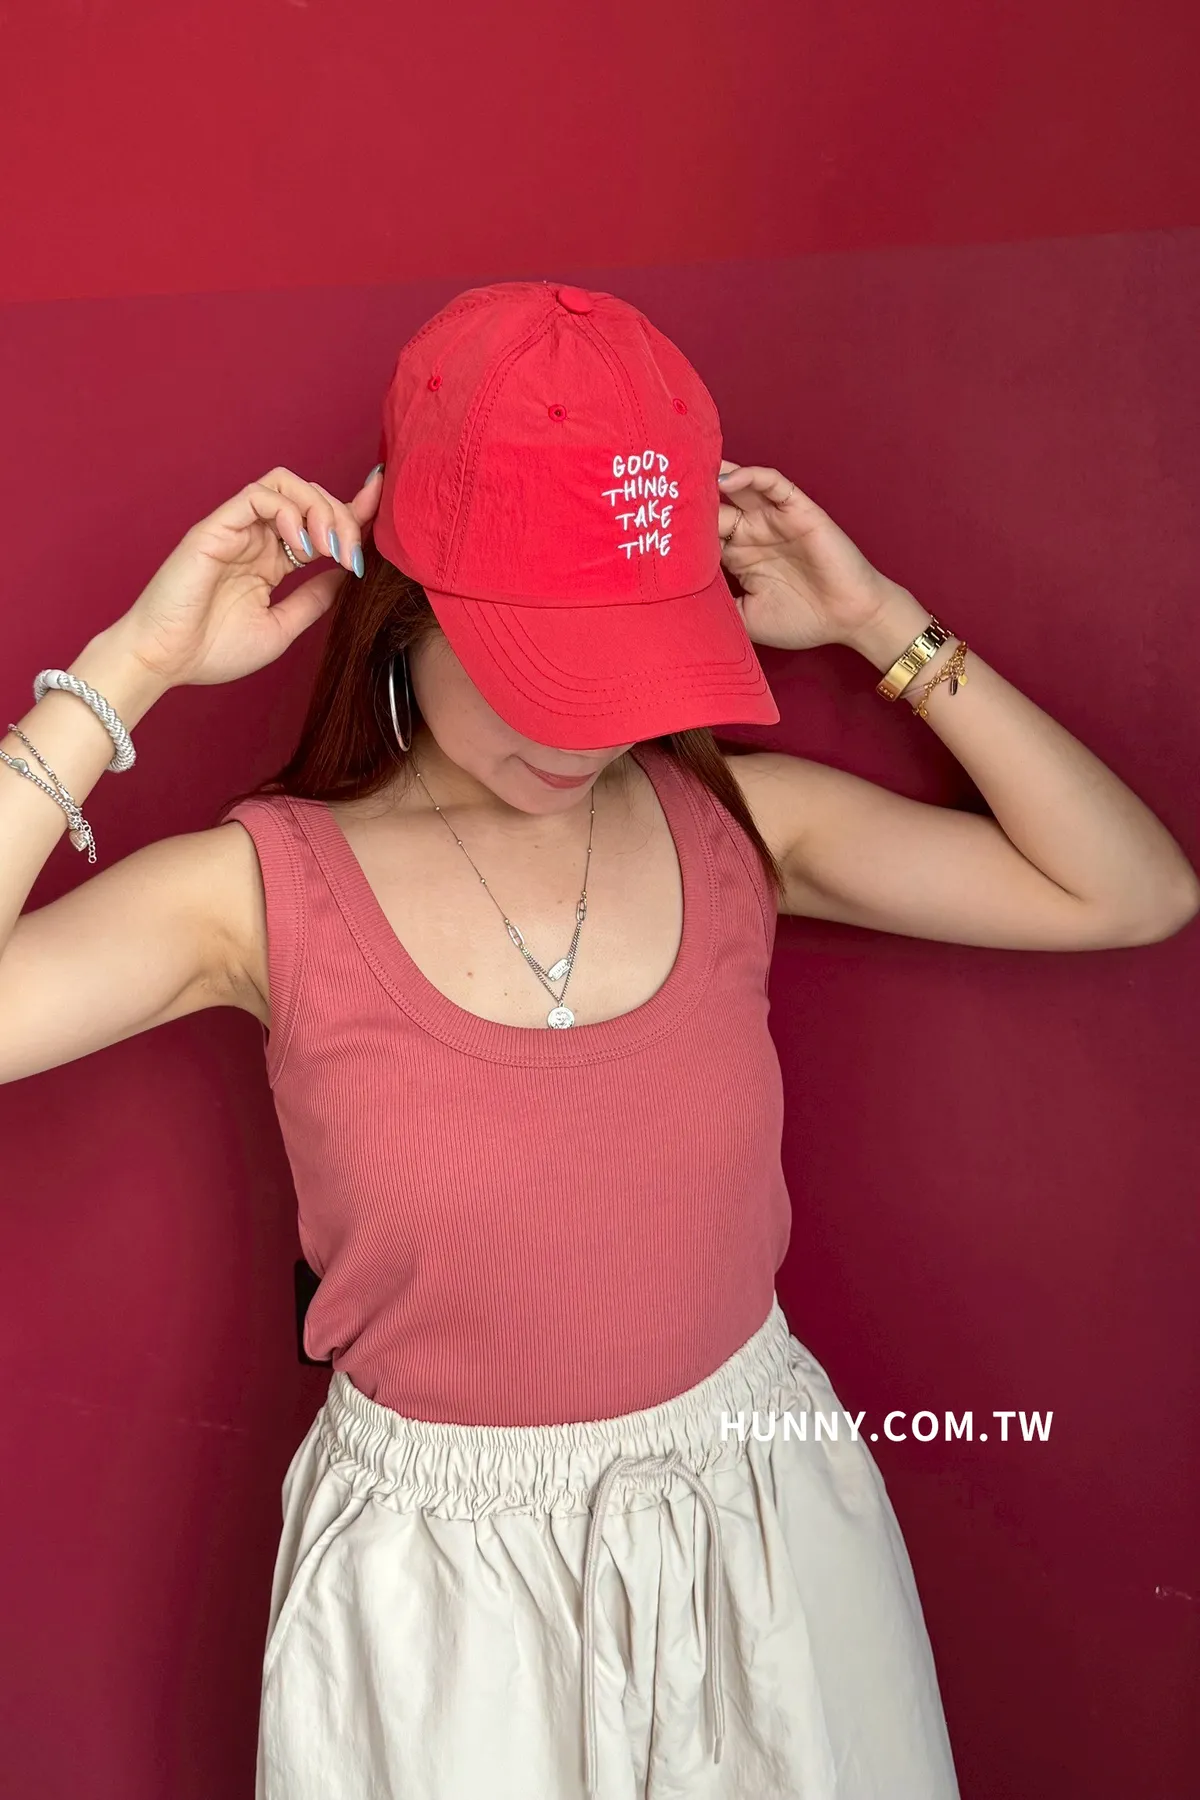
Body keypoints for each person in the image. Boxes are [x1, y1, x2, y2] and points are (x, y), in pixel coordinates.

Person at [1, 280, 1195, 1800]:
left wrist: (881, 623)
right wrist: (133, 664)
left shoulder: (737, 826)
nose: (580, 733)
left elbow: (1133, 890)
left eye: (626, 662)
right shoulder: (262, 889)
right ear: (405, 607)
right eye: (538, 665)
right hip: (446, 1605)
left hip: (766, 1542)